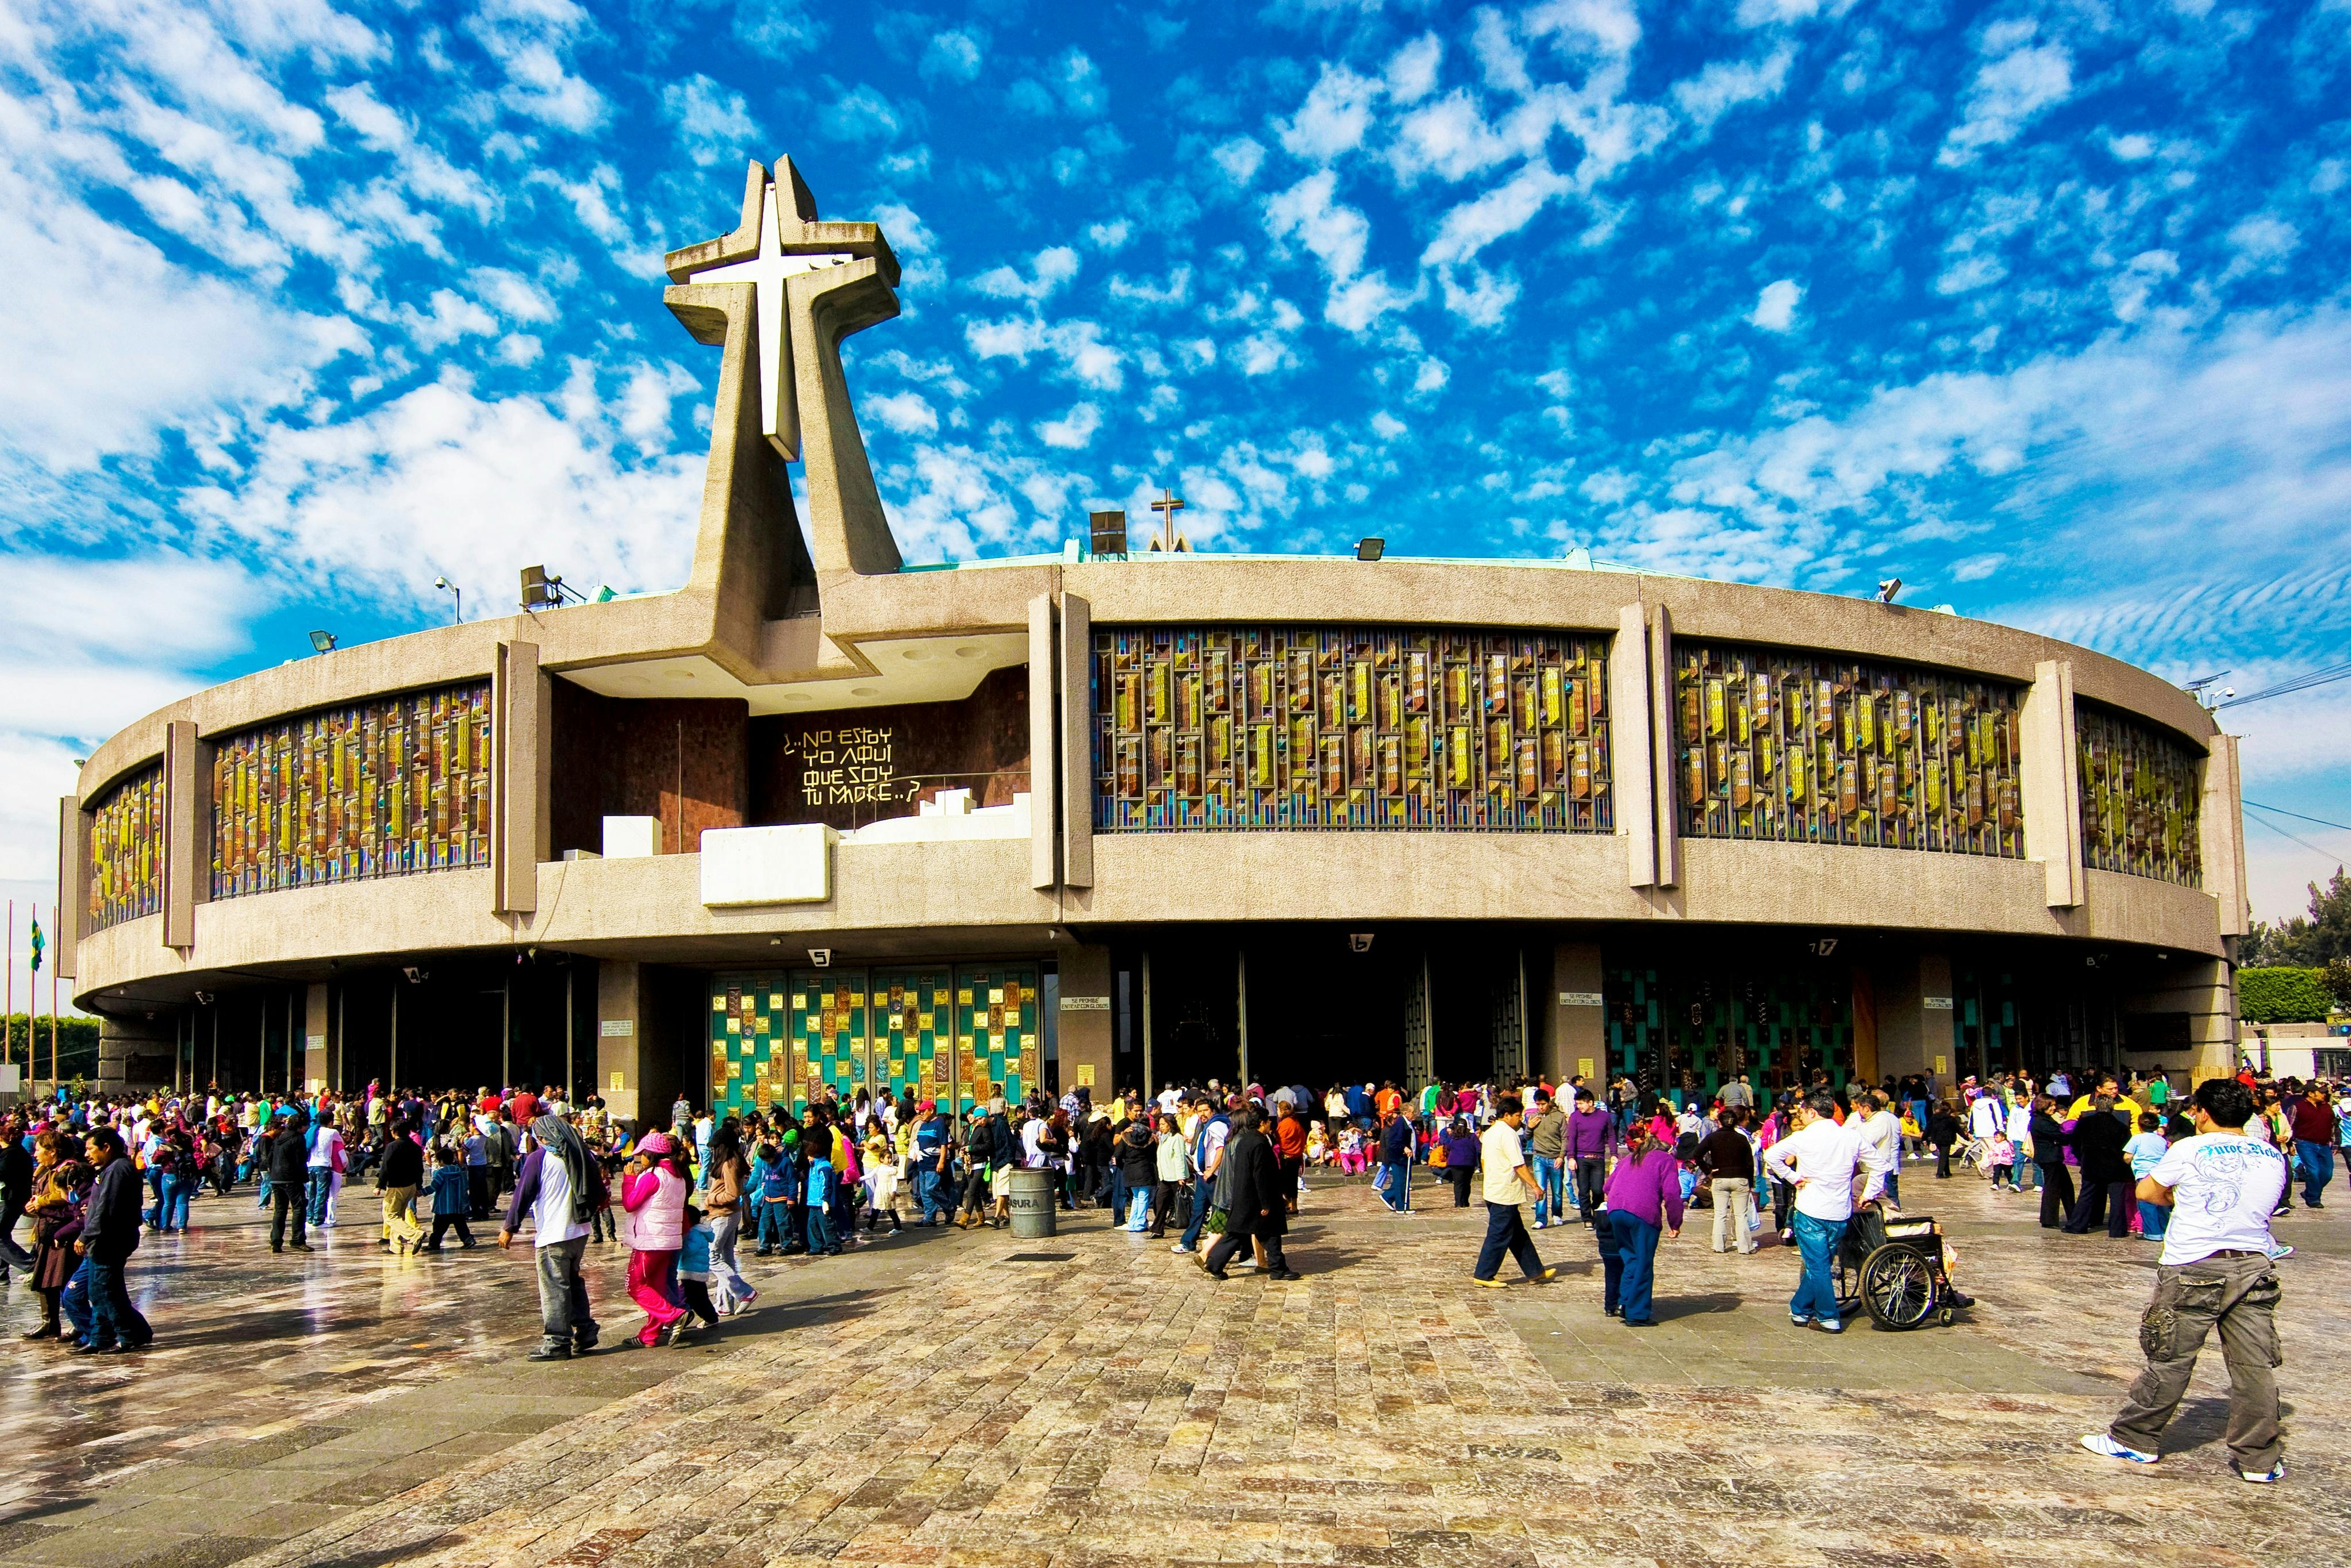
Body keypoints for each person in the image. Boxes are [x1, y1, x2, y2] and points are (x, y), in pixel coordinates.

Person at [2081, 1077, 2289, 1483]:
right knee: (2254, 1367)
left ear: (2203, 1113)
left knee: (2171, 1358)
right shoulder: (2270, 1153)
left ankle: (2135, 1437)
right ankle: (2258, 1459)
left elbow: (2147, 1192)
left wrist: (2182, 1198)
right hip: (2253, 1265)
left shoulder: (2189, 1148)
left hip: (2194, 1265)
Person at [1764, 1090, 1868, 1334]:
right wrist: (1868, 1192)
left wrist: (1794, 1177)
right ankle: (1800, 1309)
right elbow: (1880, 1164)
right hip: (1839, 1212)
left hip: (1811, 1209)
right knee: (1818, 1264)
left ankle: (1828, 1317)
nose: (1801, 1115)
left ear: (1812, 1112)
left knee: (1818, 1267)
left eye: (1802, 1111)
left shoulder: (1803, 1137)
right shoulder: (1850, 1136)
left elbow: (1771, 1155)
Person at [502, 1113, 602, 1359]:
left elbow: (523, 1195)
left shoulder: (541, 1159)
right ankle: (586, 1330)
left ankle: (557, 1342)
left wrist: (509, 1227)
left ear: (544, 1137)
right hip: (579, 1231)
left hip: (554, 1233)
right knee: (572, 1281)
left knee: (555, 1288)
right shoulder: (583, 1155)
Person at [70, 1128, 152, 1354]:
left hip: (110, 1241)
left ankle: (131, 1334)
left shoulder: (118, 1170)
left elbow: (107, 1209)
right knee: (101, 1291)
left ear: (106, 1147)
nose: (87, 1154)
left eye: (90, 1149)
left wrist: (85, 1236)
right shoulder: (109, 1169)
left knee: (105, 1292)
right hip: (103, 1242)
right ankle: (101, 1337)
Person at [1599, 1120, 1682, 1325]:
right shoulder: (1665, 1160)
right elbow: (1672, 1193)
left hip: (1616, 1210)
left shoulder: (1630, 1158)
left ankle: (1624, 1302)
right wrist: (1675, 1222)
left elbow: (1608, 1186)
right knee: (1644, 1263)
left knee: (1631, 1260)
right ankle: (1637, 1314)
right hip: (1642, 1212)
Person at [1202, 1108, 1299, 1281]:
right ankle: (1279, 1269)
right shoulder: (1258, 1143)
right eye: (1269, 1121)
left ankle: (1215, 1263)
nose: (1271, 1124)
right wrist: (1266, 1203)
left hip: (1244, 1196)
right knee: (1267, 1232)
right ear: (1262, 1122)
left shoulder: (1245, 1140)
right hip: (1256, 1198)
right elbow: (1260, 1174)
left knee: (1245, 1233)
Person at [1469, 1096, 1555, 1288]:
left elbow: (1484, 1161)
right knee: (1498, 1234)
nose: (1520, 1120)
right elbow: (1519, 1165)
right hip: (1504, 1192)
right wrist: (1535, 1185)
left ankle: (1535, 1271)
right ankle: (1484, 1274)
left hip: (1493, 1188)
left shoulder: (1489, 1133)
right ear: (1507, 1115)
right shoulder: (1508, 1134)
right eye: (1518, 1116)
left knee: (1518, 1234)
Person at [621, 1131, 692, 1346]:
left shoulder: (653, 1176)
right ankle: (649, 1335)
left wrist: (629, 1180)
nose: (639, 1158)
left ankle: (673, 1315)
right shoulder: (677, 1175)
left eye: (642, 1154)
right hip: (669, 1240)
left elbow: (630, 1204)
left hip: (650, 1240)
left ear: (650, 1155)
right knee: (657, 1287)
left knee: (635, 1285)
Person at [2064, 1094, 2133, 1238]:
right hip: (2116, 1167)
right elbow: (2127, 1148)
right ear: (2112, 1108)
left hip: (2092, 1164)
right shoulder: (2121, 1127)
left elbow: (2075, 1143)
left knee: (2087, 1196)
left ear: (2095, 1107)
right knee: (2117, 1199)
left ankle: (2078, 1225)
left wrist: (2082, 1158)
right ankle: (2117, 1230)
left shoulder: (2085, 1123)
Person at [1697, 1106, 1757, 1255]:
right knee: (1741, 1215)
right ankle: (1745, 1247)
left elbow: (1697, 1154)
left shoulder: (1712, 1138)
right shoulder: (1742, 1139)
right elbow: (1750, 1163)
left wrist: (1708, 1170)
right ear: (1736, 1122)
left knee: (1720, 1214)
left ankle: (1719, 1246)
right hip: (1740, 1178)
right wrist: (1751, 1183)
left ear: (1719, 1122)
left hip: (1720, 1178)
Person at [263, 1106, 313, 1254]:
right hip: (291, 1179)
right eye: (306, 1125)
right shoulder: (298, 1139)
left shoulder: (279, 1138)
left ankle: (276, 1241)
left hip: (277, 1178)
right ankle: (298, 1240)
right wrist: (304, 1179)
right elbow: (301, 1160)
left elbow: (270, 1158)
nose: (307, 1128)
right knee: (299, 1208)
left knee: (280, 1210)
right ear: (300, 1126)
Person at [2287, 1081, 2337, 1209]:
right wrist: (2290, 1144)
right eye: (2320, 1092)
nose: (2323, 1095)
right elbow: (2290, 1125)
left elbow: (2333, 1126)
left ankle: (2309, 1192)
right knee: (2313, 1171)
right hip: (2306, 1143)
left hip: (2324, 1144)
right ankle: (2313, 1199)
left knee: (2327, 1173)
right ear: (2311, 1093)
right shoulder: (2297, 1107)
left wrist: (2335, 1143)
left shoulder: (2326, 1107)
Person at [2122, 1113, 2170, 1242]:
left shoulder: (2137, 1139)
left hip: (2143, 1174)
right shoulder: (2161, 1140)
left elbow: (2128, 1156)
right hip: (2160, 1174)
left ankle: (2152, 1233)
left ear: (2140, 1125)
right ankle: (2165, 1231)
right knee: (2162, 1204)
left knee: (2146, 1204)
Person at [421, 1145, 478, 1250]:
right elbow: (464, 1186)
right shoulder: (459, 1172)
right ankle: (468, 1240)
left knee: (438, 1228)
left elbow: (434, 1187)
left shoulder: (441, 1173)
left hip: (444, 1206)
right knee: (461, 1225)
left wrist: (422, 1192)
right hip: (457, 1205)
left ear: (441, 1161)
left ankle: (434, 1244)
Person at [1527, 1091, 1567, 1228]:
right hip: (1539, 1157)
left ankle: (1557, 1213)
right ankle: (1540, 1218)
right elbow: (1527, 1137)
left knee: (1557, 1189)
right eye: (1538, 1105)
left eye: (1543, 1104)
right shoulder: (1533, 1117)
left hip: (1555, 1157)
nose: (1541, 1107)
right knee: (1540, 1188)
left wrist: (1561, 1156)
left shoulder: (1559, 1117)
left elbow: (1565, 1138)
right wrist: (1529, 1127)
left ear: (1548, 1102)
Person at [1439, 1118, 1481, 1206]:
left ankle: (1458, 1203)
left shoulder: (1452, 1137)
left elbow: (1447, 1146)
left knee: (1458, 1184)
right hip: (1469, 1163)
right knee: (1467, 1183)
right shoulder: (1472, 1136)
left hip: (1456, 1162)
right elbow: (1479, 1148)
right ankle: (1465, 1202)